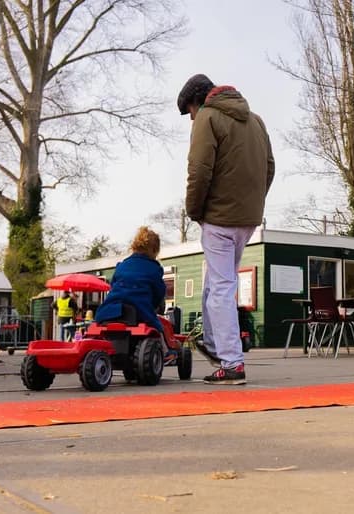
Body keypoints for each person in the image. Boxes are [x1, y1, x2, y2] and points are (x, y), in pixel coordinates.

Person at [177, 73, 274, 385]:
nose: (192, 118)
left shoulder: (207, 117)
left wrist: (194, 210)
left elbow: (199, 169)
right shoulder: (256, 121)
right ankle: (215, 344)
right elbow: (269, 167)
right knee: (216, 282)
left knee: (220, 288)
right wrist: (252, 203)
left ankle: (231, 363)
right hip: (247, 218)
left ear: (197, 101)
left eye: (190, 112)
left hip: (218, 218)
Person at [94, 226, 166, 331]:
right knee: (161, 332)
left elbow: (113, 287)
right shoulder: (154, 269)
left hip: (109, 312)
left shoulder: (121, 266)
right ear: (154, 250)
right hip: (139, 313)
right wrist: (153, 306)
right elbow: (159, 294)